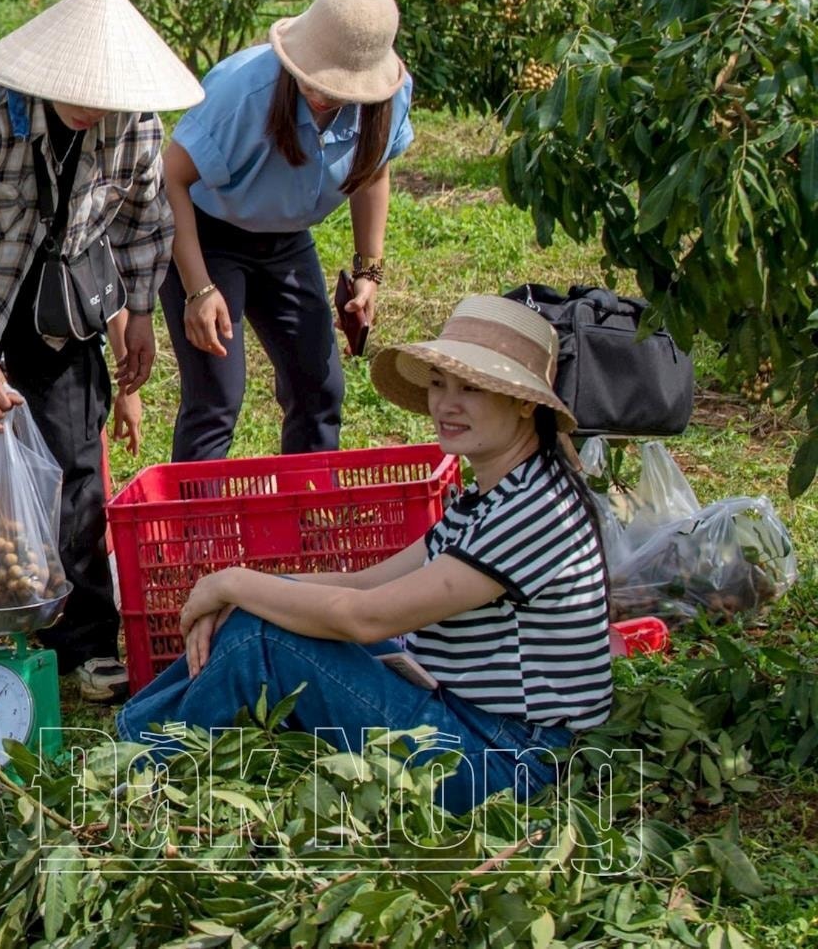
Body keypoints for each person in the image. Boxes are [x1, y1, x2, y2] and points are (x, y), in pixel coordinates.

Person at [118, 296, 613, 812]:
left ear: (524, 403)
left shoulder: (531, 512)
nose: (446, 404)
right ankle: (135, 743)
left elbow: (365, 618)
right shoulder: (500, 492)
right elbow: (364, 582)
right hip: (469, 722)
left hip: (502, 761)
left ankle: (134, 768)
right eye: (440, 384)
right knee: (260, 614)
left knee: (259, 637)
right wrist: (241, 590)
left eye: (472, 388)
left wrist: (232, 584)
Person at [0, 0, 200, 695]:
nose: (95, 108)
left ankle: (80, 638)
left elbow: (147, 222)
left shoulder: (134, 122)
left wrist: (143, 312)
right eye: (82, 92)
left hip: (57, 306)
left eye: (108, 95)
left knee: (72, 464)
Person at [161, 0, 415, 462]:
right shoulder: (244, 93)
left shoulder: (386, 101)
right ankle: (196, 531)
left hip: (286, 241)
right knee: (217, 397)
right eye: (316, 78)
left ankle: (309, 520)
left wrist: (369, 272)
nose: (324, 94)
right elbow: (170, 179)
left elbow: (372, 174)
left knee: (320, 388)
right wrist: (198, 288)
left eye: (341, 87)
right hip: (208, 235)